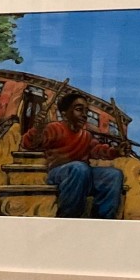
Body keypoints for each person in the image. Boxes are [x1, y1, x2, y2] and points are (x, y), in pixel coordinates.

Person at [22, 90, 124, 219]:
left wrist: (116, 151)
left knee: (114, 174)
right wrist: (38, 129)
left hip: (83, 174)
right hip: (59, 173)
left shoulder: (86, 135)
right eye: (79, 110)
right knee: (79, 168)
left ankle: (103, 220)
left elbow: (97, 150)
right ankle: (69, 217)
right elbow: (28, 144)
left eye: (86, 111)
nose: (84, 115)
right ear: (64, 113)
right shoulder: (54, 128)